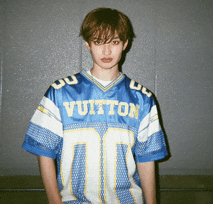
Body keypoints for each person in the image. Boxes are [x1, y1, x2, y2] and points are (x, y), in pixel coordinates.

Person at [22, 7, 168, 204]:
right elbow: (44, 152)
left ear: (125, 43)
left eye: (114, 42)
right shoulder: (60, 93)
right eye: (98, 42)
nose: (106, 51)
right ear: (87, 43)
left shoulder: (142, 98)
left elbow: (147, 159)